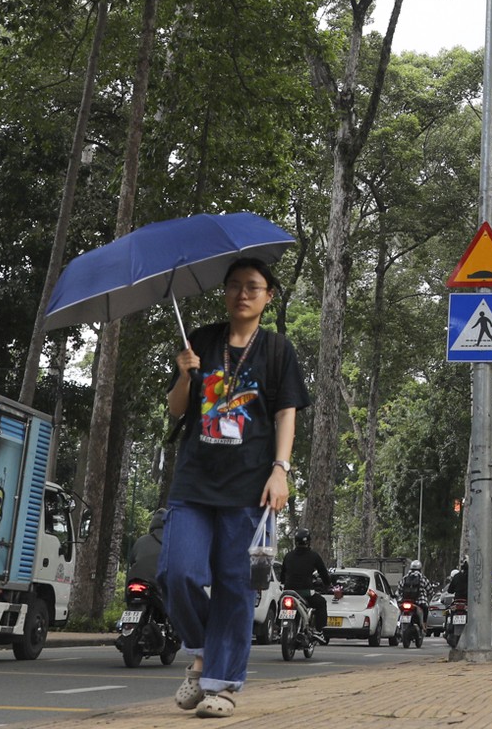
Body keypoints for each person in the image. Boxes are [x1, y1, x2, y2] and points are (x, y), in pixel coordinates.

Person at [162, 258, 309, 719]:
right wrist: (185, 373)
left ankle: (221, 685)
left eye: (253, 286)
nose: (242, 293)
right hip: (194, 480)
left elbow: (287, 412)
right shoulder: (201, 340)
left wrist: (281, 470)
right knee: (175, 572)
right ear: (224, 293)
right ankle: (204, 651)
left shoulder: (277, 350)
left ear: (268, 296)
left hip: (249, 486)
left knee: (234, 587)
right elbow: (174, 411)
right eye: (234, 286)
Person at [281, 528, 331, 641]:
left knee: (282, 606)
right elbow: (323, 573)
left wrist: (284, 583)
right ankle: (319, 631)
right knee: (321, 602)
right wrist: (327, 585)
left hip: (288, 592)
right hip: (305, 592)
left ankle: (278, 625)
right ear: (308, 541)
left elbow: (282, 575)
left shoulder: (288, 556)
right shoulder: (314, 556)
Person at [127, 508, 167, 588]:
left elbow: (131, 561)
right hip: (157, 586)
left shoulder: (141, 541)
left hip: (134, 583)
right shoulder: (172, 543)